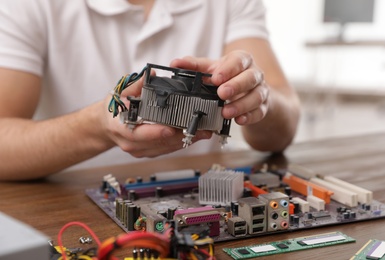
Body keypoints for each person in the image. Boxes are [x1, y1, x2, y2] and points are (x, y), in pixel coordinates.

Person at [0, 0, 300, 181]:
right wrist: (97, 127)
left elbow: (281, 131)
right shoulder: (28, 5)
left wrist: (259, 99)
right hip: (67, 200)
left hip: (199, 195)